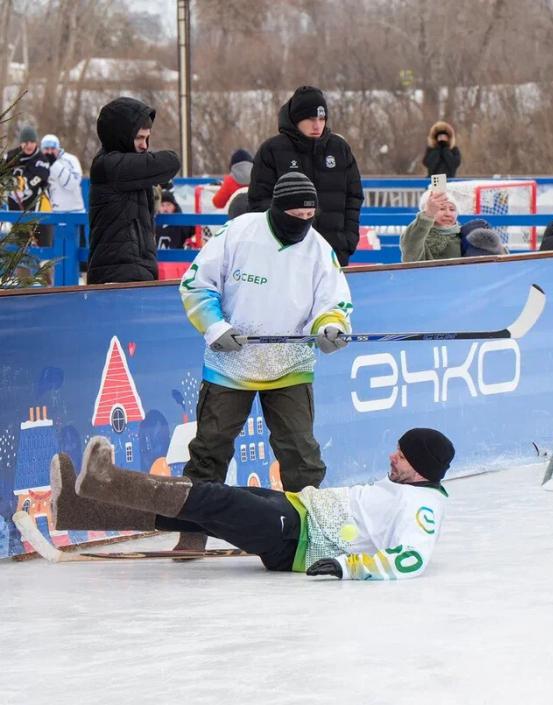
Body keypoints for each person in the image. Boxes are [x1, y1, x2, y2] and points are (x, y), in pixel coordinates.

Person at [175, 171, 353, 552]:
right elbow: (196, 284)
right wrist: (215, 327)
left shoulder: (319, 249)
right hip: (230, 364)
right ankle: (192, 531)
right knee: (209, 449)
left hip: (290, 364)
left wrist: (331, 327)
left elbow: (333, 302)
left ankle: (312, 531)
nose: (303, 225)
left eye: (310, 218)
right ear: (278, 209)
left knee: (301, 455)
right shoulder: (239, 233)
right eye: (296, 217)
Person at [51, 427, 454, 579]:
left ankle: (107, 480)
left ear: (419, 466)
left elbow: (410, 559)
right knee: (196, 512)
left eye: (400, 455)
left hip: (298, 537)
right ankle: (78, 508)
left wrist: (348, 568)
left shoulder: (422, 509)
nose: (391, 457)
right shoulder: (405, 487)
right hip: (296, 510)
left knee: (211, 497)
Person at [248, 86, 364, 266]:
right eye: (310, 119)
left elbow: (354, 197)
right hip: (285, 255)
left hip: (333, 253)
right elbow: (259, 202)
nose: (317, 125)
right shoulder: (271, 151)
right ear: (296, 119)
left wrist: (347, 241)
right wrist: (278, 240)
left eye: (322, 118)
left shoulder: (340, 149)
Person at [87, 97, 181, 284]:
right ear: (121, 135)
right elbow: (171, 161)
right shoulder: (108, 165)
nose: (145, 145)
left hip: (136, 271)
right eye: (139, 138)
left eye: (147, 138)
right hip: (116, 274)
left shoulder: (124, 165)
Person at [400, 188, 462, 262]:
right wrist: (428, 214)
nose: (448, 214)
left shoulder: (465, 234)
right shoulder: (419, 237)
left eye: (452, 209)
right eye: (442, 209)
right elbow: (410, 247)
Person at [4, 125, 51, 212]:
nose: (29, 145)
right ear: (21, 143)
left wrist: (18, 183)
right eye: (26, 142)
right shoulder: (11, 156)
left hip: (39, 213)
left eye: (32, 142)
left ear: (36, 142)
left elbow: (34, 181)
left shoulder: (42, 161)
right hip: (13, 212)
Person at [39, 134, 83, 213]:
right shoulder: (41, 164)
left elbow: (73, 184)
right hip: (54, 212)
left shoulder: (71, 160)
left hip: (74, 212)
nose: (49, 152)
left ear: (58, 148)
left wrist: (54, 164)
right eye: (46, 149)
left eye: (53, 148)